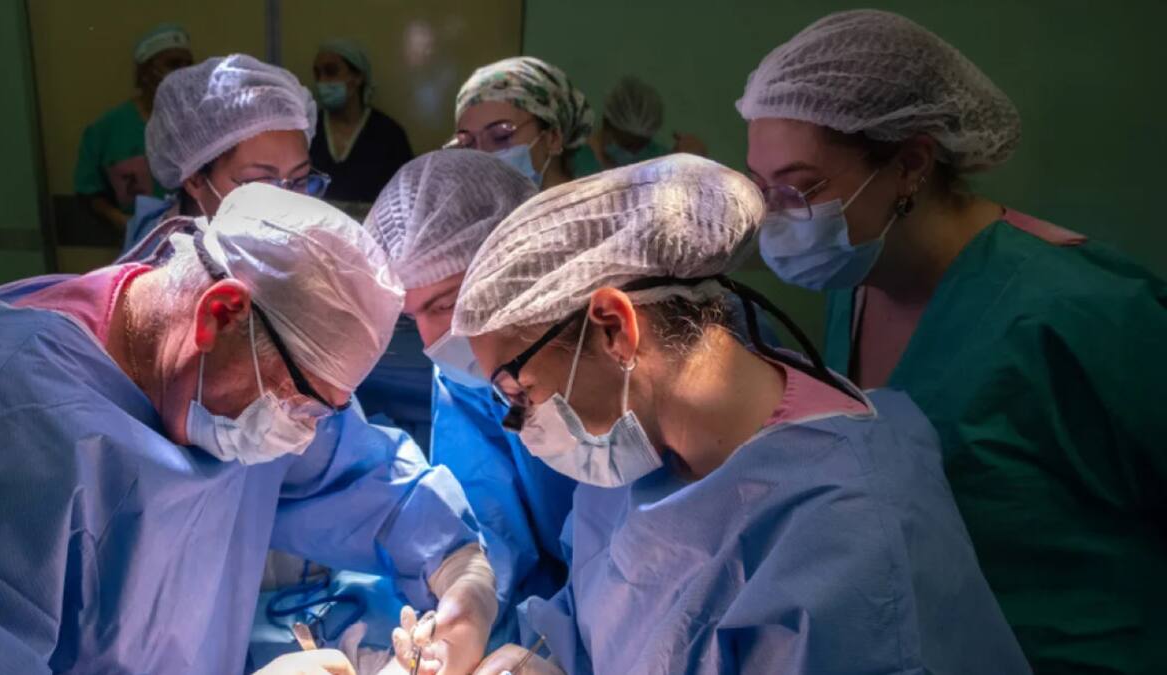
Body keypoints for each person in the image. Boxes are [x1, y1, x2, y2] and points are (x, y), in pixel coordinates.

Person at [450, 154, 1028, 674]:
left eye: (519, 390)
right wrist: (540, 662)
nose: (519, 421)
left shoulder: (849, 532)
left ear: (614, 328)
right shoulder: (636, 453)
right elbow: (599, 616)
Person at [738, 10, 1167, 673]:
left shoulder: (1082, 312)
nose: (776, 218)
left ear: (911, 163)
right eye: (764, 188)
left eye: (801, 188)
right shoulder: (854, 279)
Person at [0, 183, 497, 674]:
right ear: (220, 314)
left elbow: (371, 484)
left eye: (322, 414)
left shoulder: (240, 385)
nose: (303, 435)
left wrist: (463, 575)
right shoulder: (1, 416)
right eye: (299, 404)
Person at [362, 149, 576, 649]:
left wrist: (574, 645)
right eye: (412, 317)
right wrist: (474, 601)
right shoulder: (465, 375)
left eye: (445, 304)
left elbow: (647, 562)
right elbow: (490, 520)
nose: (433, 338)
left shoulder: (597, 358)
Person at [120, 53, 327, 258]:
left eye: (300, 180)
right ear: (195, 180)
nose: (286, 205)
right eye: (260, 184)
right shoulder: (156, 264)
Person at [74, 22, 192, 235]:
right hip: (137, 240)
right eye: (173, 64)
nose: (183, 73)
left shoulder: (199, 123)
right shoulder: (106, 131)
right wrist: (123, 222)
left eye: (188, 64)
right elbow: (89, 193)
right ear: (145, 72)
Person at [450, 56, 593, 190]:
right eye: (468, 144)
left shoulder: (595, 206)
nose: (481, 156)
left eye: (501, 136)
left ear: (553, 137)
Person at [309, 38, 415, 217]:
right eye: (318, 74)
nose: (322, 81)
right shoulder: (308, 130)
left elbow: (407, 199)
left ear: (358, 77)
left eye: (331, 71)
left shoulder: (389, 135)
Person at [573, 75, 708, 176]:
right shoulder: (576, 161)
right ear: (607, 123)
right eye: (627, 144)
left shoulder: (657, 158)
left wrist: (690, 166)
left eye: (641, 145)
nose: (633, 152)